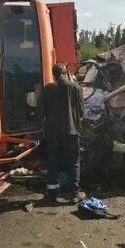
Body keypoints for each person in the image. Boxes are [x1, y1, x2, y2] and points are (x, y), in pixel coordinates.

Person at [37, 62, 86, 204]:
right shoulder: (76, 87)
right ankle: (75, 193)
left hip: (52, 133)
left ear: (53, 74)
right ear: (66, 73)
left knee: (53, 161)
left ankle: (52, 193)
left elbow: (40, 112)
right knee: (74, 162)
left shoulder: (47, 89)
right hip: (72, 131)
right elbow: (81, 111)